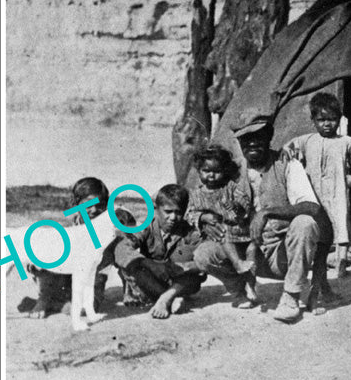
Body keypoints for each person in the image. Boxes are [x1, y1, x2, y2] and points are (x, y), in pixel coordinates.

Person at [209, 117, 327, 323]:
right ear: (239, 142)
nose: (252, 143)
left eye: (258, 137)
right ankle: (241, 289)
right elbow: (203, 199)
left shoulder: (287, 163)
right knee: (204, 253)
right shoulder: (232, 170)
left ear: (269, 137)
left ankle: (291, 296)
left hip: (281, 253)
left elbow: (311, 206)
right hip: (245, 251)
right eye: (246, 138)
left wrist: (267, 213)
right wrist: (204, 219)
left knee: (305, 223)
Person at [285, 92, 351, 278]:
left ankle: (341, 264)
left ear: (339, 119)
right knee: (317, 227)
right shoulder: (307, 140)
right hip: (314, 193)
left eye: (332, 119)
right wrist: (290, 157)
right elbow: (287, 148)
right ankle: (318, 264)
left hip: (337, 192)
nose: (327, 124)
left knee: (340, 225)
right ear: (313, 120)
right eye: (321, 119)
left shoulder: (346, 142)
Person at [113, 184, 208, 319]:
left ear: (185, 211)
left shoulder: (190, 233)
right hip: (153, 278)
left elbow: (205, 262)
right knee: (133, 267)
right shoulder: (146, 227)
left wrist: (185, 267)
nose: (173, 217)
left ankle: (165, 298)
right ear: (156, 209)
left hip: (178, 280)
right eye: (168, 211)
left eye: (179, 212)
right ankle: (171, 297)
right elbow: (122, 248)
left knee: (194, 277)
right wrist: (149, 264)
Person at [26, 177, 111, 319]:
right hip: (67, 277)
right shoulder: (70, 225)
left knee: (77, 309)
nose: (94, 210)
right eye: (88, 204)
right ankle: (45, 298)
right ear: (76, 203)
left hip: (92, 281)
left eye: (100, 205)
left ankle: (56, 302)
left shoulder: (106, 228)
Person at [186, 145, 257, 309]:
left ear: (225, 170)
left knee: (252, 251)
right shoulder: (196, 194)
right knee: (222, 234)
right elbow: (189, 215)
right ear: (199, 171)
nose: (211, 175)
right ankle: (238, 293)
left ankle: (251, 286)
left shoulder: (231, 187)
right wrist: (203, 217)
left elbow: (245, 204)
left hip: (241, 233)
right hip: (219, 238)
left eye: (216, 171)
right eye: (206, 170)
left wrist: (237, 207)